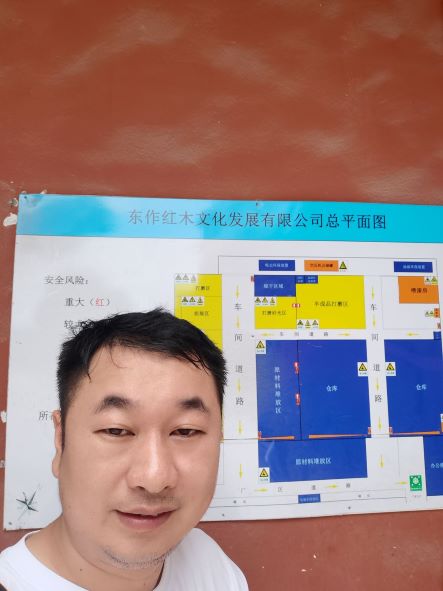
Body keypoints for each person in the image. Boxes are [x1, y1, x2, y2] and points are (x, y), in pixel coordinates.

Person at [0, 309, 248, 590]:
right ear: (60, 439)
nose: (154, 479)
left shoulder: (210, 565)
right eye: (116, 430)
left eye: (185, 431)